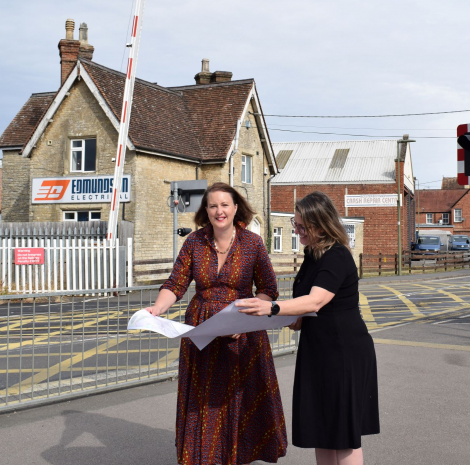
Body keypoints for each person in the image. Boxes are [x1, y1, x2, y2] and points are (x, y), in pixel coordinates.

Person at [146, 182, 287, 465]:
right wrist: (157, 308)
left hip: (243, 333)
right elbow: (176, 283)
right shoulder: (194, 242)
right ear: (206, 210)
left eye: (225, 205)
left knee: (238, 399)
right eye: (213, 205)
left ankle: (235, 456)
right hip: (202, 333)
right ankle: (204, 457)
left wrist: (244, 317)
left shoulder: (252, 243)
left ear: (236, 208)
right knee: (204, 400)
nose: (219, 211)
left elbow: (268, 288)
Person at [236, 191, 379, 465]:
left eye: (303, 226)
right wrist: (293, 318)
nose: (298, 231)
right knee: (321, 430)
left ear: (321, 224)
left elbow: (316, 299)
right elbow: (309, 307)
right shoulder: (313, 255)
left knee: (344, 434)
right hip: (318, 351)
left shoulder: (337, 255)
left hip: (343, 353)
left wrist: (274, 308)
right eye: (296, 225)